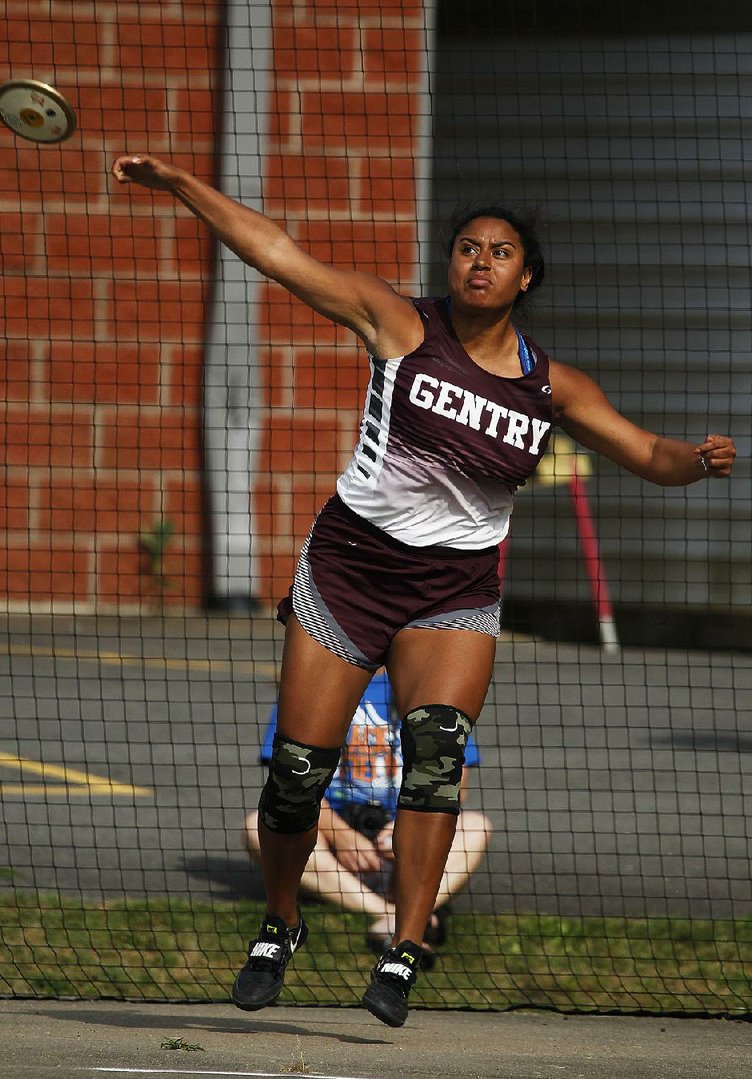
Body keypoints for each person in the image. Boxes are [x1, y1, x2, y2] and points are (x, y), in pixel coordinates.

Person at [111, 153, 737, 1027]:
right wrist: (183, 184)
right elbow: (278, 252)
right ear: (452, 264)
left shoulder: (550, 386)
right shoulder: (401, 325)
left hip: (453, 592)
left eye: (500, 251)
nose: (480, 261)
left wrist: (695, 462)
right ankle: (280, 921)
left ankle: (404, 946)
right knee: (297, 774)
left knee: (437, 757)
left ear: (526, 277)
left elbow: (648, 454)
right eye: (467, 248)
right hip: (350, 571)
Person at [243, 671, 491, 965]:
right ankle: (392, 916)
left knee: (476, 828)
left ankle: (403, 912)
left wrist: (407, 827)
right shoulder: (314, 680)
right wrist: (343, 837)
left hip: (405, 832)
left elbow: (456, 783)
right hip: (331, 842)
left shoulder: (432, 682)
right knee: (256, 827)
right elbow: (288, 782)